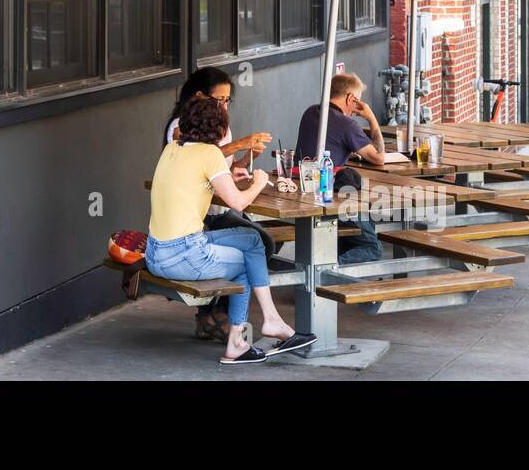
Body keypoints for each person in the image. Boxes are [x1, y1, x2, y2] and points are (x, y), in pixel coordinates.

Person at [147, 95, 317, 364]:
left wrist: (230, 175)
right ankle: (240, 341)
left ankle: (271, 321)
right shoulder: (210, 153)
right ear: (219, 128)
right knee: (247, 263)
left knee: (252, 240)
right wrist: (259, 182)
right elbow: (238, 202)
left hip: (156, 252)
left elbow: (192, 182)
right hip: (183, 256)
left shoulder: (173, 149)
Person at [163, 68, 275, 344]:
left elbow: (221, 168)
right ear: (199, 95)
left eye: (227, 100)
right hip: (196, 221)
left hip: (215, 211)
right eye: (218, 99)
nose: (223, 106)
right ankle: (220, 317)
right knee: (254, 248)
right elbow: (198, 154)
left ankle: (219, 314)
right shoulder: (181, 126)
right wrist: (245, 156)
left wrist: (245, 159)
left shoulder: (219, 125)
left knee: (260, 242)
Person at [294, 72, 384, 265]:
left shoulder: (310, 112)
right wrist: (371, 117)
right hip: (330, 196)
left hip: (301, 189)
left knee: (349, 237)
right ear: (351, 98)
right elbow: (379, 157)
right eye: (357, 102)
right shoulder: (346, 123)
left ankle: (327, 269)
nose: (356, 108)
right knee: (372, 247)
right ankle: (324, 269)